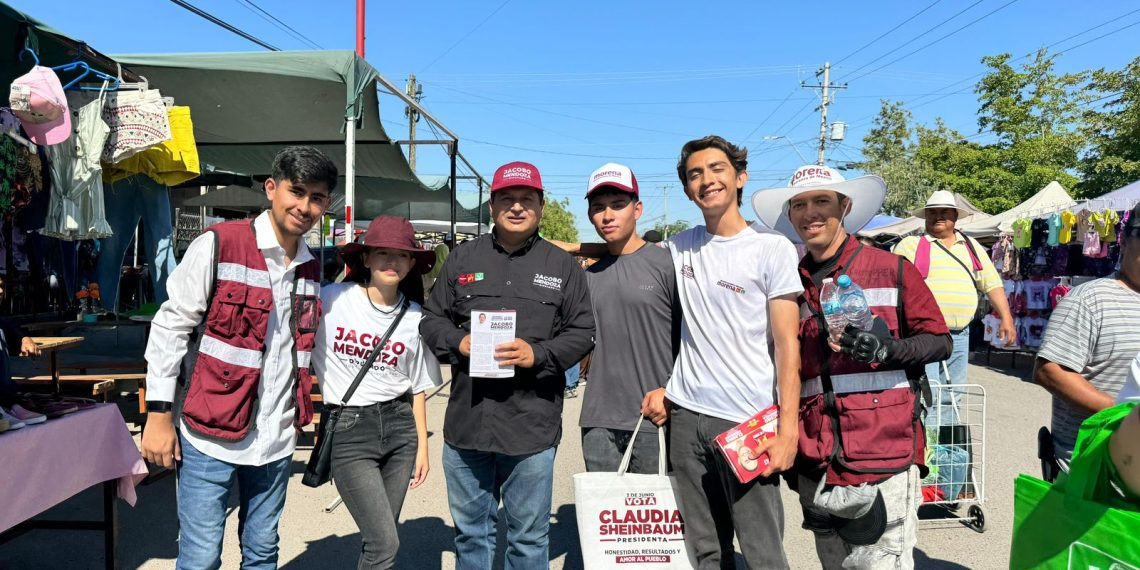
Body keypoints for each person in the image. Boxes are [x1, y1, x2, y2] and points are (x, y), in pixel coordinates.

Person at [554, 136, 803, 567]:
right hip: (686, 415)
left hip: (745, 418)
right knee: (702, 548)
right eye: (695, 174)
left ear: (740, 177)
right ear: (688, 190)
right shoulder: (680, 247)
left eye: (717, 169)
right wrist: (573, 247)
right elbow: (623, 250)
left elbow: (788, 347)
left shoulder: (771, 247)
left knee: (762, 549)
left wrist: (788, 431)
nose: (707, 180)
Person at [140, 146, 336, 569]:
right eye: (296, 191)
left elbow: (305, 349)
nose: (305, 207)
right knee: (200, 557)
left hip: (276, 438)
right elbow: (171, 327)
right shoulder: (219, 244)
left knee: (263, 552)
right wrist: (158, 414)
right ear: (271, 188)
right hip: (207, 434)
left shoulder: (311, 267)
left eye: (317, 197)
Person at [752, 164, 952, 569]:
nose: (810, 213)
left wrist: (887, 349)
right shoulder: (789, 283)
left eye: (822, 201)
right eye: (799, 205)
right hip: (817, 457)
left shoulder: (892, 268)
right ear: (790, 215)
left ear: (844, 206)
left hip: (883, 452)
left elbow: (939, 341)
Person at [419, 161, 595, 569]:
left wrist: (539, 355)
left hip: (531, 429)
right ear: (492, 205)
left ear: (541, 206)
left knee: (529, 540)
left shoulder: (562, 266)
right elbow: (431, 319)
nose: (517, 207)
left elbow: (583, 331)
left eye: (526, 199)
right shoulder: (462, 258)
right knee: (471, 537)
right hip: (468, 427)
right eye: (507, 198)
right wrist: (458, 341)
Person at [312, 216, 442, 569]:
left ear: (412, 264)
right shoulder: (330, 300)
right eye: (382, 252)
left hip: (401, 430)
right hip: (350, 430)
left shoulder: (416, 317)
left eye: (402, 255)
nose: (391, 261)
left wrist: (423, 446)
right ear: (365, 258)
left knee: (379, 540)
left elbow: (417, 387)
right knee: (385, 542)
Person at [577, 162, 679, 473]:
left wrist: (672, 391)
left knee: (658, 506)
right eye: (598, 207)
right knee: (602, 506)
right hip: (597, 420)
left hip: (654, 415)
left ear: (637, 209)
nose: (607, 215)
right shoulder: (588, 276)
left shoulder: (668, 265)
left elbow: (695, 338)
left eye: (618, 205)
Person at [1035, 202, 1140, 475]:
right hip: (1094, 466)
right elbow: (1050, 371)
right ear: (1124, 241)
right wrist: (1122, 414)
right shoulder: (1089, 299)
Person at [893, 191, 1016, 402]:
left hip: (960, 333)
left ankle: (947, 425)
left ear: (955, 216)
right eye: (932, 212)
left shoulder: (971, 246)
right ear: (925, 216)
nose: (938, 216)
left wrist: (1006, 318)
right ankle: (928, 425)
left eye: (944, 212)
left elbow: (992, 284)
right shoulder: (910, 245)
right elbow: (893, 285)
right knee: (928, 393)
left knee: (954, 393)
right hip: (924, 333)